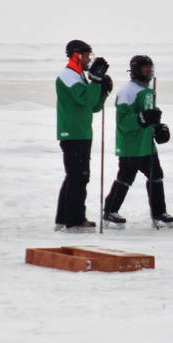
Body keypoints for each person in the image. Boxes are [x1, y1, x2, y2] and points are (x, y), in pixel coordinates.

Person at [102, 55, 173, 230]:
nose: (149, 71)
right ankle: (110, 211)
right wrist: (142, 119)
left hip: (147, 144)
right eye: (145, 68)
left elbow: (150, 114)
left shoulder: (150, 89)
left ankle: (159, 213)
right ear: (135, 70)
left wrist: (158, 127)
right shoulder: (128, 91)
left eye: (150, 67)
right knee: (125, 178)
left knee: (156, 176)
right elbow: (123, 121)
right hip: (130, 144)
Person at [54, 39, 112, 232]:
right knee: (79, 177)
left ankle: (63, 219)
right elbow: (87, 98)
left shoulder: (78, 76)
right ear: (76, 55)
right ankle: (74, 221)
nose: (89, 59)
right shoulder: (68, 76)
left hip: (82, 132)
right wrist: (95, 82)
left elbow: (93, 106)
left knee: (74, 176)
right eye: (87, 55)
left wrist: (103, 90)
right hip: (73, 133)